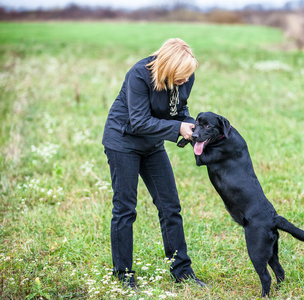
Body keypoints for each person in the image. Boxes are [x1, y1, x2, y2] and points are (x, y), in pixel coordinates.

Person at [102, 38, 204, 289]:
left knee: (171, 206)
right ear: (167, 67)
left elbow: (179, 109)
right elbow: (139, 122)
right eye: (180, 76)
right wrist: (177, 128)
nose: (184, 81)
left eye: (187, 76)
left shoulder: (186, 77)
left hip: (152, 145)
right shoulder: (139, 75)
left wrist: (192, 126)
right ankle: (123, 274)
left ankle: (181, 271)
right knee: (125, 209)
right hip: (123, 141)